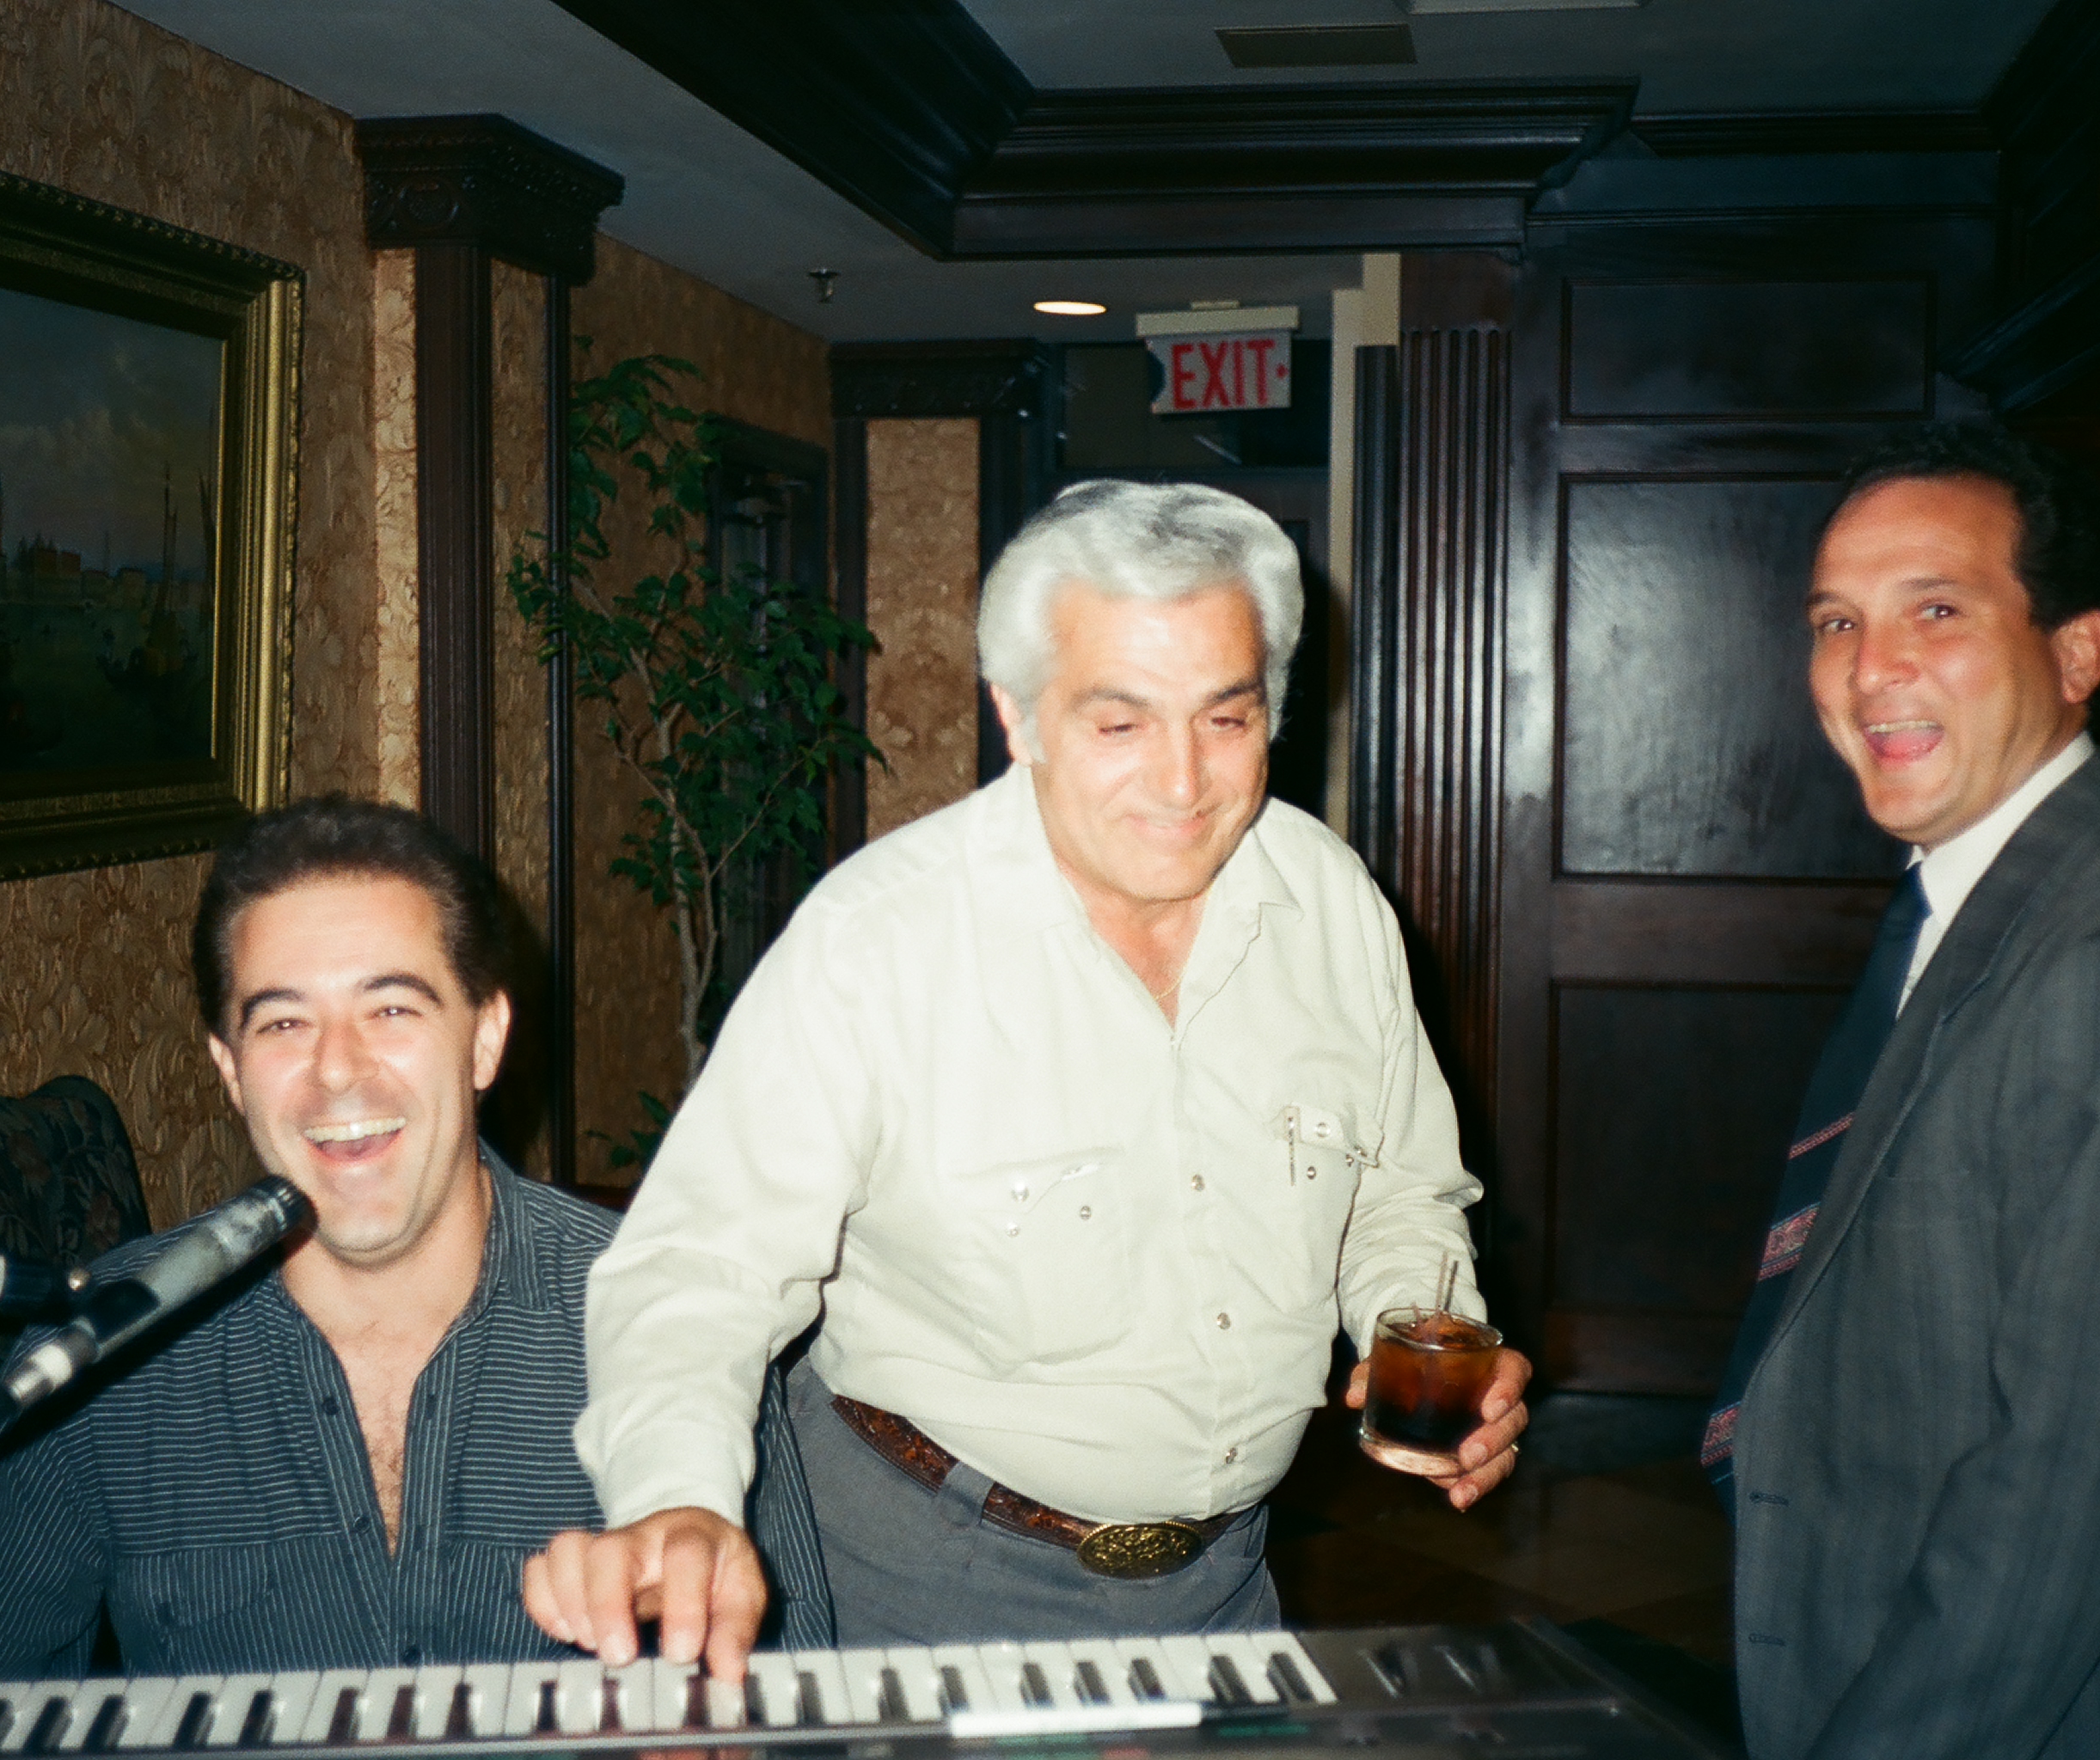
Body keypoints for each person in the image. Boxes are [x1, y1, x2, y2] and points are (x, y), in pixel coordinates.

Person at [536, 480, 1530, 1662]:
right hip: (915, 1588)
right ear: (1019, 715)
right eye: (1121, 724)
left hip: (1226, 1584)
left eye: (1227, 718)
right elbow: (699, 1271)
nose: (1182, 785)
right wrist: (679, 1504)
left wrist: (1427, 1328)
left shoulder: (1331, 904)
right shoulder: (878, 941)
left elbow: (1400, 1189)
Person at [0, 798, 830, 1684]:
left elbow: (811, 1719)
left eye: (392, 1008)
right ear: (230, 1069)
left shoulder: (682, 1330)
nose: (336, 1069)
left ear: (485, 1037)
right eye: (283, 1021)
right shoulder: (104, 1356)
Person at [1711, 424, 2100, 1759]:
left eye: (1937, 608)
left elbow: (2052, 1517)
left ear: (2079, 654)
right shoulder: (1981, 895)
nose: (1871, 670)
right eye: (1835, 620)